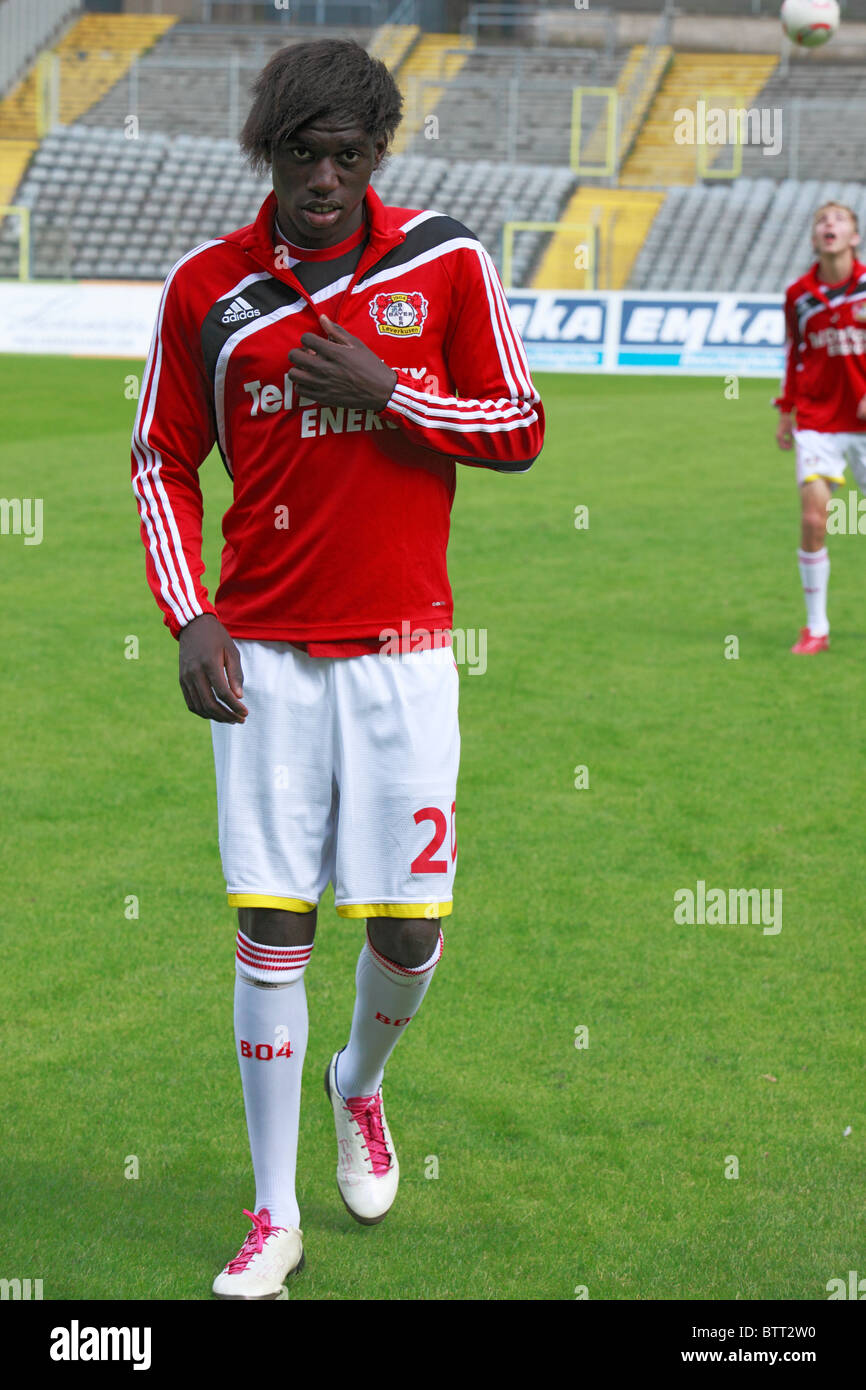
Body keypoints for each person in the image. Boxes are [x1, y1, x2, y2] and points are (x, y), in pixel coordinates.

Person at [131, 38, 544, 1299]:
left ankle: (356, 1088)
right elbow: (160, 459)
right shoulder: (209, 288)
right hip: (259, 656)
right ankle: (273, 1213)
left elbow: (519, 427)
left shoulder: (444, 259)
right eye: (301, 154)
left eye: (347, 155)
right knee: (270, 922)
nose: (323, 177)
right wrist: (186, 611)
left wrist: (393, 392)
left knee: (410, 932)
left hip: (405, 656)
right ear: (268, 153)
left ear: (378, 154)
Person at [775, 201, 866, 653]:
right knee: (814, 519)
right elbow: (794, 354)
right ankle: (817, 628)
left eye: (839, 220)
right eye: (821, 221)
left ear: (854, 237)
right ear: (815, 238)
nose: (829, 226)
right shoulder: (798, 295)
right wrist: (785, 409)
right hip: (818, 420)